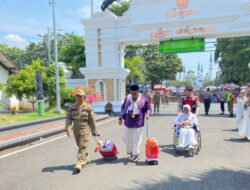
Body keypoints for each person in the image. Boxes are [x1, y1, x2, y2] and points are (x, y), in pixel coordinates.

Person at [65, 88, 99, 172]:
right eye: (77, 96)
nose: (79, 97)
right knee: (80, 145)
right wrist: (68, 128)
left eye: (81, 96)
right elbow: (68, 118)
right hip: (76, 130)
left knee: (82, 145)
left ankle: (79, 162)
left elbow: (92, 120)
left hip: (85, 129)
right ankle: (86, 157)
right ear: (75, 97)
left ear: (84, 97)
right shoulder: (72, 107)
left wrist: (94, 131)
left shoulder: (88, 107)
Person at [119, 84, 151, 162]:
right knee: (125, 137)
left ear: (138, 91)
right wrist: (120, 117)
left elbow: (148, 108)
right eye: (132, 93)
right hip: (128, 122)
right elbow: (123, 107)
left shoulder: (144, 99)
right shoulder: (127, 98)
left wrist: (147, 114)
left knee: (137, 140)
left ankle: (136, 155)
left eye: (135, 93)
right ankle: (131, 151)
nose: (133, 95)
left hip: (138, 123)